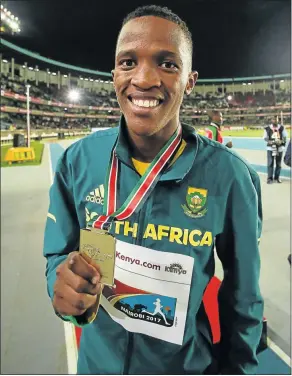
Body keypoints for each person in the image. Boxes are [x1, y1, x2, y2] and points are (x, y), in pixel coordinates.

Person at [44, 5, 264, 375]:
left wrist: (237, 368)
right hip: (96, 366)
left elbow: (244, 301)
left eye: (167, 64)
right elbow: (58, 254)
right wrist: (60, 281)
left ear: (190, 81)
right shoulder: (77, 162)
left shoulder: (230, 177)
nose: (144, 79)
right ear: (114, 74)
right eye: (128, 62)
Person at [263, 115, 287, 184]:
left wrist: (281, 141)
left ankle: (277, 178)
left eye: (275, 119)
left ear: (278, 120)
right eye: (273, 119)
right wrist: (269, 141)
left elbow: (285, 137)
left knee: (278, 164)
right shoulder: (267, 128)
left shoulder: (282, 128)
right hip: (270, 148)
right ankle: (269, 178)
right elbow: (265, 137)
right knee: (270, 163)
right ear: (271, 120)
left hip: (279, 148)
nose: (274, 121)